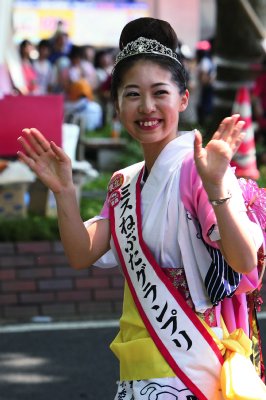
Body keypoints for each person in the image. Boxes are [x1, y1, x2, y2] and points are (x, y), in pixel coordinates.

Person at [17, 17, 266, 400]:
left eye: (159, 92)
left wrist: (217, 185)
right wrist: (64, 192)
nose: (146, 106)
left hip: (193, 367)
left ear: (183, 98)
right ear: (116, 104)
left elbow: (244, 260)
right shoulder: (125, 181)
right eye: (132, 94)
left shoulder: (200, 169)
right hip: (136, 368)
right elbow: (82, 253)